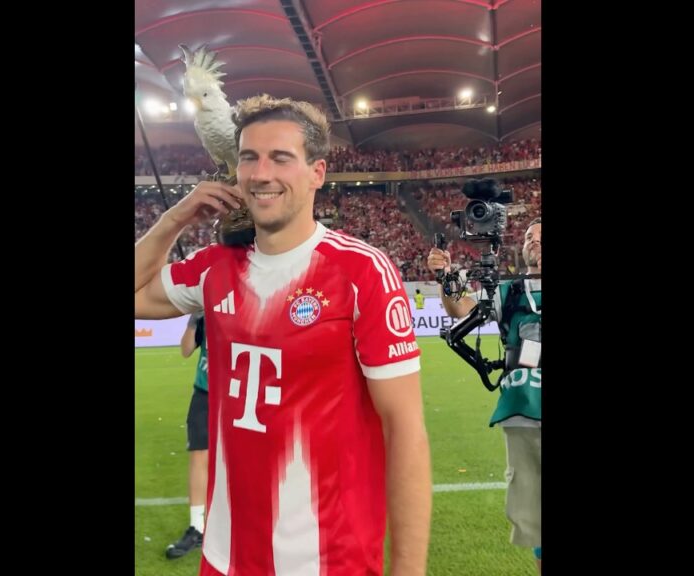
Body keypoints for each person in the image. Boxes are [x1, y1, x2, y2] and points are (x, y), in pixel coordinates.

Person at [135, 94, 432, 576]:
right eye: (249, 157)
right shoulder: (215, 267)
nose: (260, 173)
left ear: (316, 172)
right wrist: (174, 219)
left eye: (280, 157)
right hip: (225, 556)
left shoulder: (361, 272)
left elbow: (406, 432)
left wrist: (408, 571)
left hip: (328, 559)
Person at [427, 217, 542, 574]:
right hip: (523, 414)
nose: (534, 240)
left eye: (541, 235)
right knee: (537, 522)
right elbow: (461, 309)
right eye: (528, 236)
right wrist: (446, 277)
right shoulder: (508, 291)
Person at [164, 312, 209, 559]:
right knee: (198, 456)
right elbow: (185, 349)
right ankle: (197, 527)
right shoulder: (204, 312)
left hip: (237, 394)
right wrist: (194, 319)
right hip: (205, 392)